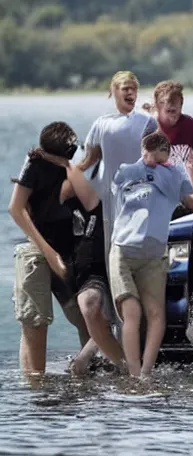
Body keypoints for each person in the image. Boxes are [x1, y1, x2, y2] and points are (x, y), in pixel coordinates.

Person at [107, 132, 193, 378]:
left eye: (157, 159)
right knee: (132, 312)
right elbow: (109, 186)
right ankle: (133, 373)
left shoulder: (175, 175)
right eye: (146, 158)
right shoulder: (127, 171)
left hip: (154, 255)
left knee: (156, 315)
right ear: (141, 153)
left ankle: (145, 372)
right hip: (123, 249)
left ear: (167, 155)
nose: (150, 163)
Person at [9, 122, 124, 375]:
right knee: (35, 322)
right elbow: (15, 208)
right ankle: (35, 388)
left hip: (71, 252)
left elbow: (94, 200)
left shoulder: (80, 166)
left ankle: (90, 375)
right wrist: (48, 253)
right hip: (38, 249)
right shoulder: (35, 164)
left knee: (87, 319)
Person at [75, 70, 158, 265]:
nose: (131, 93)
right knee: (113, 253)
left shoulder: (146, 122)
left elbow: (156, 159)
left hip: (141, 197)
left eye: (134, 89)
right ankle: (116, 293)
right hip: (111, 199)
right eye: (126, 88)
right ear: (114, 91)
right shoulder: (102, 124)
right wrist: (64, 173)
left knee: (140, 251)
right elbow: (89, 160)